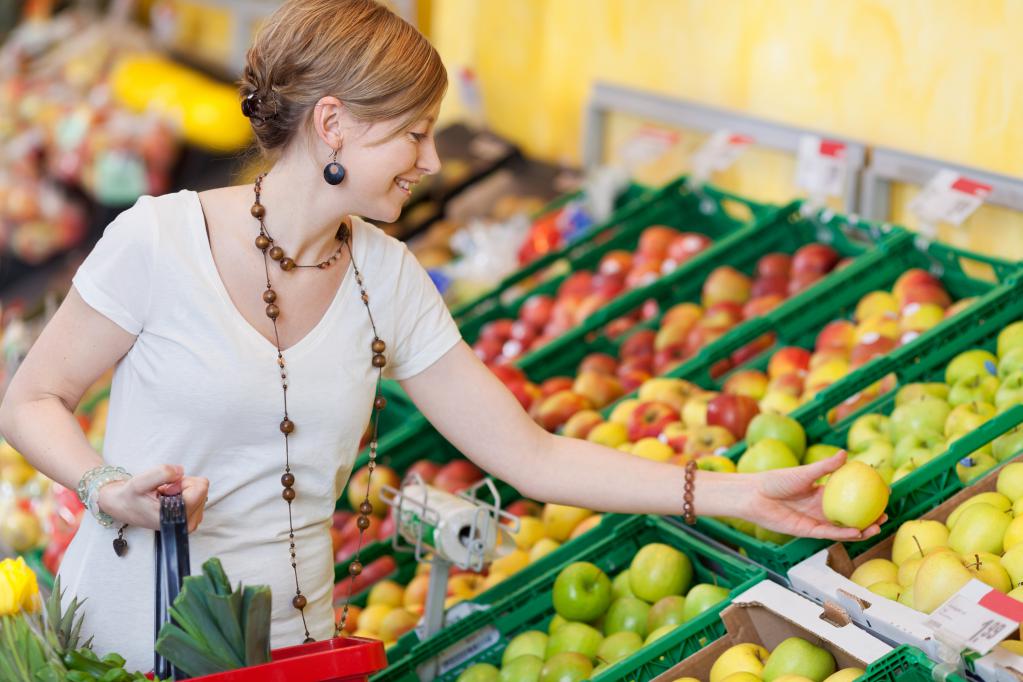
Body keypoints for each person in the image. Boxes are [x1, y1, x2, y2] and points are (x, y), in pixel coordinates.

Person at [0, 0, 880, 672]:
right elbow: (32, 398)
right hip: (121, 639)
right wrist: (103, 480)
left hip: (288, 655)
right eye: (414, 135)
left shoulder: (387, 279)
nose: (429, 160)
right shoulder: (159, 240)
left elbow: (531, 458)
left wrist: (736, 493)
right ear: (334, 124)